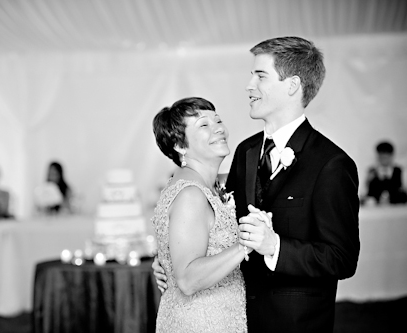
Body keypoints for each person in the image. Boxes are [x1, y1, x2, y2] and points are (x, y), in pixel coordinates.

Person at [153, 37, 360, 333]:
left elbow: (342, 259)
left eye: (260, 75)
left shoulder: (331, 164)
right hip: (235, 318)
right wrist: (171, 258)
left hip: (294, 324)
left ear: (292, 85)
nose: (249, 85)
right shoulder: (246, 151)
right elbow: (216, 224)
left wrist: (274, 246)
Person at [151, 97, 248, 332]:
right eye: (204, 125)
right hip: (201, 323)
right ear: (180, 146)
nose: (219, 129)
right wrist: (246, 245)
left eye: (218, 120)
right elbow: (186, 279)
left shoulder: (203, 185)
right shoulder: (191, 195)